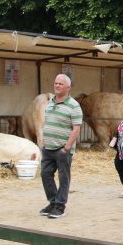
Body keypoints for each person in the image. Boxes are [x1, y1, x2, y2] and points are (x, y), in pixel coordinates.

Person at [40, 74, 83, 219]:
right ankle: (53, 203)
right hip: (48, 148)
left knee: (63, 177)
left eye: (60, 84)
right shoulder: (50, 103)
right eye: (56, 83)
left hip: (62, 149)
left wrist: (67, 148)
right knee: (45, 175)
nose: (57, 85)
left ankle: (60, 206)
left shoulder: (74, 106)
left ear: (68, 87)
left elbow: (76, 128)